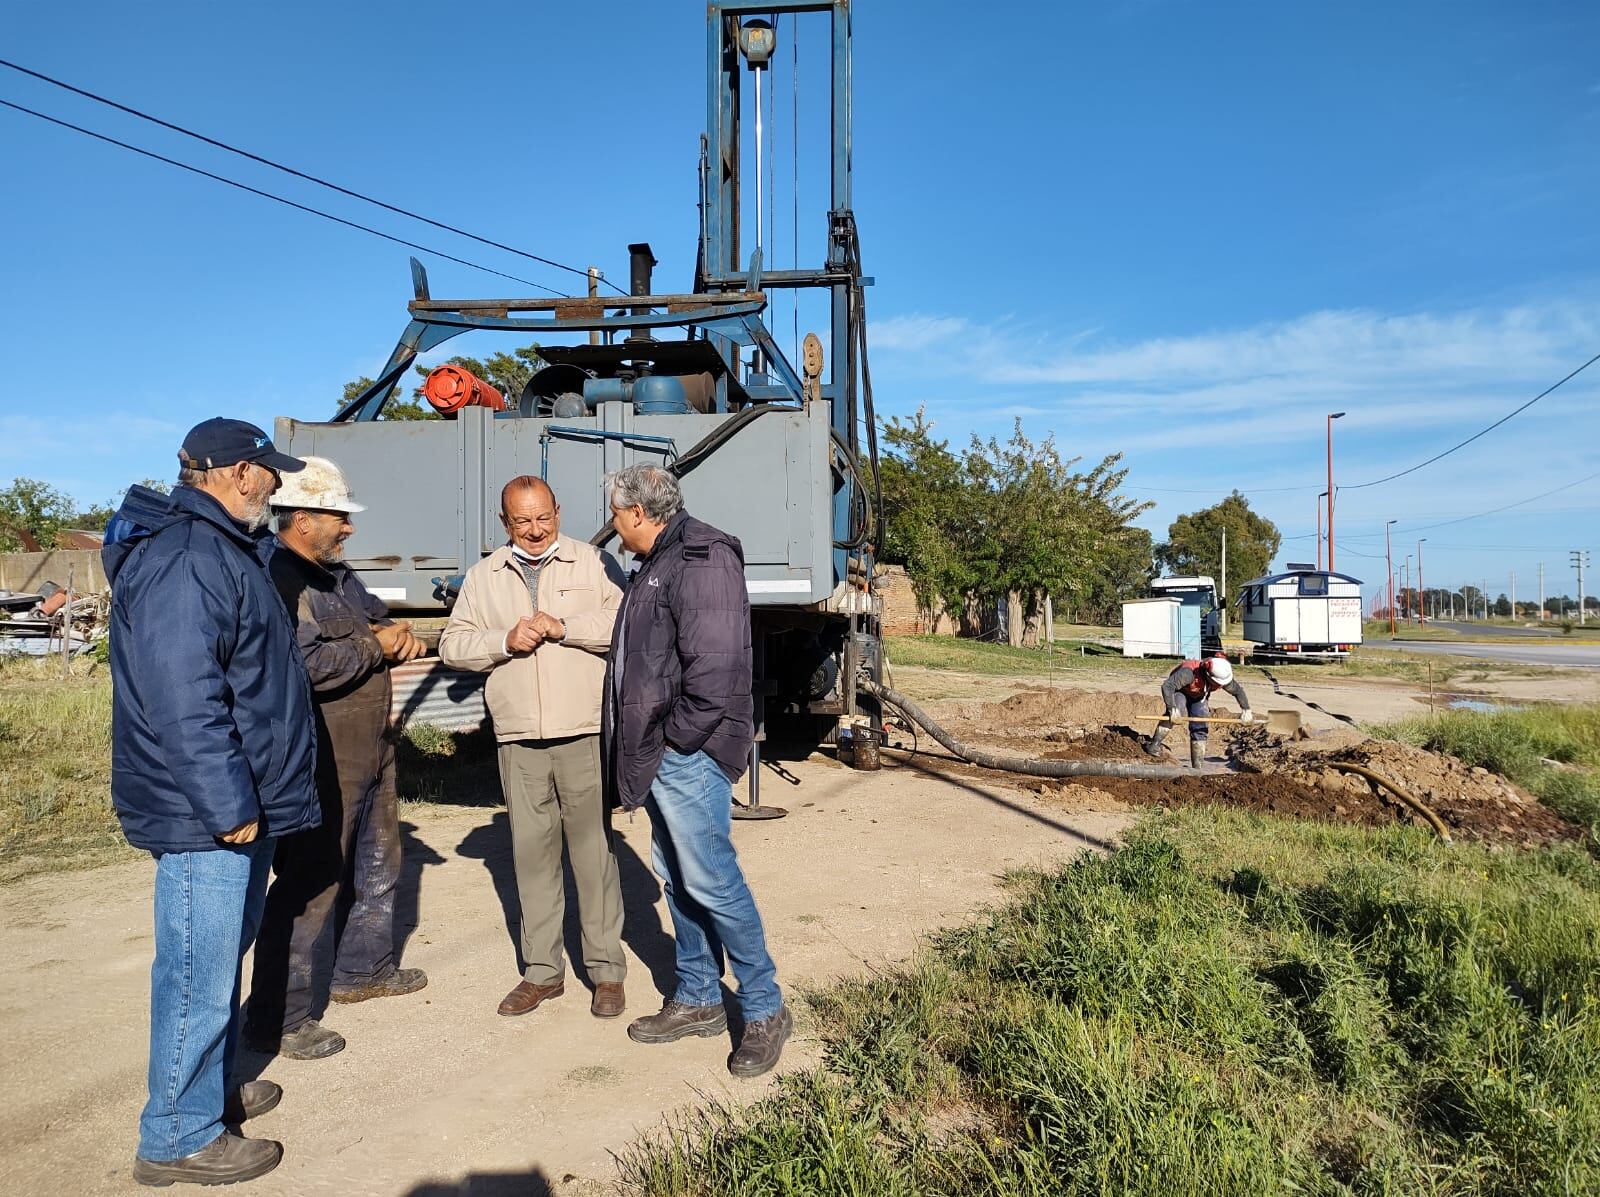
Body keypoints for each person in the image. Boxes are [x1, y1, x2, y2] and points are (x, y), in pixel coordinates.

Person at [102, 419, 318, 1187]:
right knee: (196, 966)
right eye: (268, 471)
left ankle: (211, 1089)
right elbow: (182, 696)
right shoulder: (189, 558)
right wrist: (229, 802)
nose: (275, 484)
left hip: (234, 800)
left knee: (218, 953)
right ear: (233, 472)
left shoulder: (221, 548)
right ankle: (177, 1134)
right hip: (208, 812)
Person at [602, 464, 790, 1079]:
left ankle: (764, 1008)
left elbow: (715, 674)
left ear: (636, 512)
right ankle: (699, 995)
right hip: (663, 751)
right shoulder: (663, 557)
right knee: (678, 879)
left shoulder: (702, 556)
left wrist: (674, 743)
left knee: (710, 878)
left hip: (686, 752)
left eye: (615, 512)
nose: (613, 524)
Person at [245, 457, 429, 1062]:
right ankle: (281, 1016)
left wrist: (391, 636)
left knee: (378, 863)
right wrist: (373, 646)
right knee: (311, 881)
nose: (347, 529)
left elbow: (379, 622)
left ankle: (363, 969)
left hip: (372, 745)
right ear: (300, 517)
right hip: (322, 753)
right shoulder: (279, 577)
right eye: (338, 517)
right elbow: (300, 666)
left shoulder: (336, 576)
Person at [439, 476, 629, 1019]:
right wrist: (502, 642)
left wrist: (562, 626)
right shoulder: (483, 576)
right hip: (519, 736)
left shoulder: (592, 563)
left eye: (543, 517)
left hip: (582, 729)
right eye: (522, 521)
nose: (535, 529)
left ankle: (606, 972)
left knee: (593, 855)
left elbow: (624, 623)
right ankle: (543, 973)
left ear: (558, 510)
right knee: (531, 855)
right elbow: (453, 646)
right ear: (505, 523)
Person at [1144, 654, 1254, 769]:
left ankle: (1197, 766)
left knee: (1201, 722)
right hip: (1180, 691)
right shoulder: (1188, 673)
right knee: (1178, 712)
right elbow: (1167, 686)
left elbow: (1237, 691)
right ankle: (1154, 745)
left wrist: (1246, 710)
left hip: (1199, 695)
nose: (1221, 686)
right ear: (1209, 676)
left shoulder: (1221, 677)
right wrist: (1172, 708)